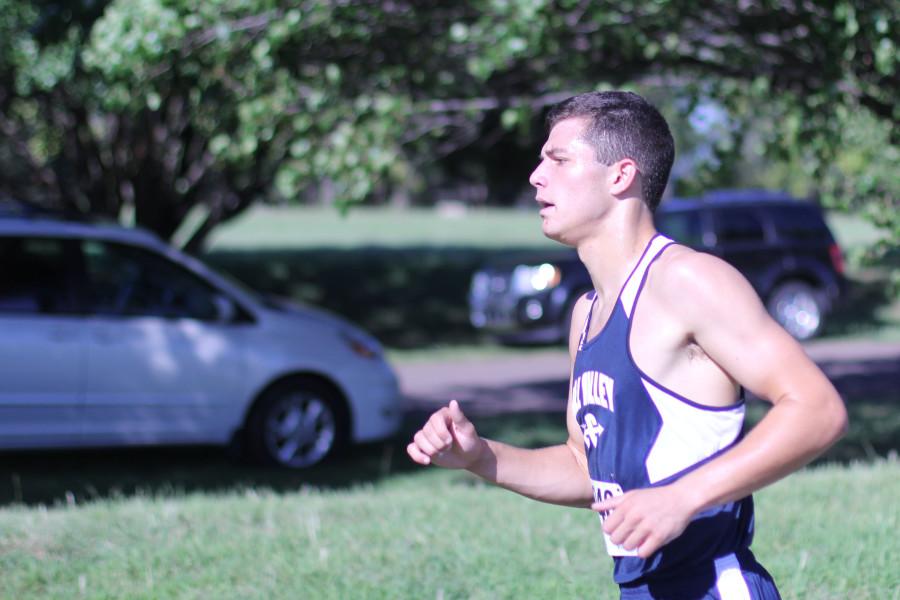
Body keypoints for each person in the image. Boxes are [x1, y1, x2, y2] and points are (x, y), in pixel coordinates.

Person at [406, 91, 848, 599]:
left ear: (620, 175)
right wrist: (481, 457)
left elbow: (817, 409)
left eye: (559, 160)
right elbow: (585, 467)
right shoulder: (585, 314)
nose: (535, 175)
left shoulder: (689, 281)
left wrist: (682, 498)